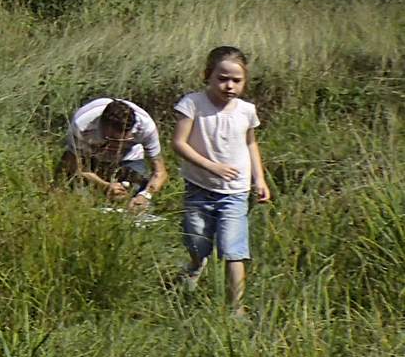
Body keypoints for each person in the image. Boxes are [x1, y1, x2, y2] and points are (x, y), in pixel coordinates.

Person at [173, 46, 271, 310]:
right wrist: (211, 166)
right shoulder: (192, 104)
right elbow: (179, 143)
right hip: (199, 187)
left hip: (235, 192)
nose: (229, 86)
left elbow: (251, 144)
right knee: (196, 241)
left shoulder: (246, 110)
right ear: (208, 75)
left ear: (245, 81)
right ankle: (194, 266)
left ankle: (235, 309)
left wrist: (259, 180)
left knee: (233, 250)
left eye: (236, 81)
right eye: (222, 78)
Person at [58, 97, 170, 211]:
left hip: (130, 158)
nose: (117, 146)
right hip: (91, 157)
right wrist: (104, 185)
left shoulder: (146, 128)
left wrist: (145, 195)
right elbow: (73, 165)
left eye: (124, 141)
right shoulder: (82, 125)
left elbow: (160, 172)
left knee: (137, 200)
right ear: (102, 126)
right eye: (112, 139)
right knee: (80, 198)